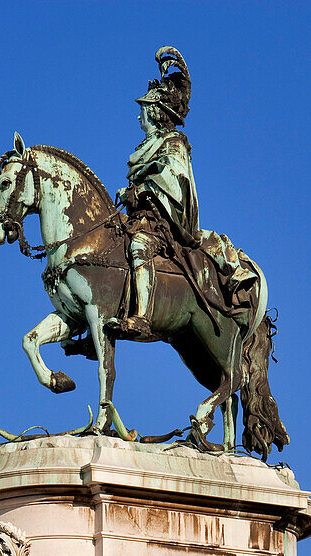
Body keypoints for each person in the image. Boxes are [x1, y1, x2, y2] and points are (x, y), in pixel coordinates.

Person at [107, 47, 198, 342]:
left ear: (156, 114)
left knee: (138, 248)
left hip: (159, 224)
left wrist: (141, 190)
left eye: (143, 112)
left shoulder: (174, 143)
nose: (138, 118)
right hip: (137, 217)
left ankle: (142, 318)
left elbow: (173, 179)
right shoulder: (146, 148)